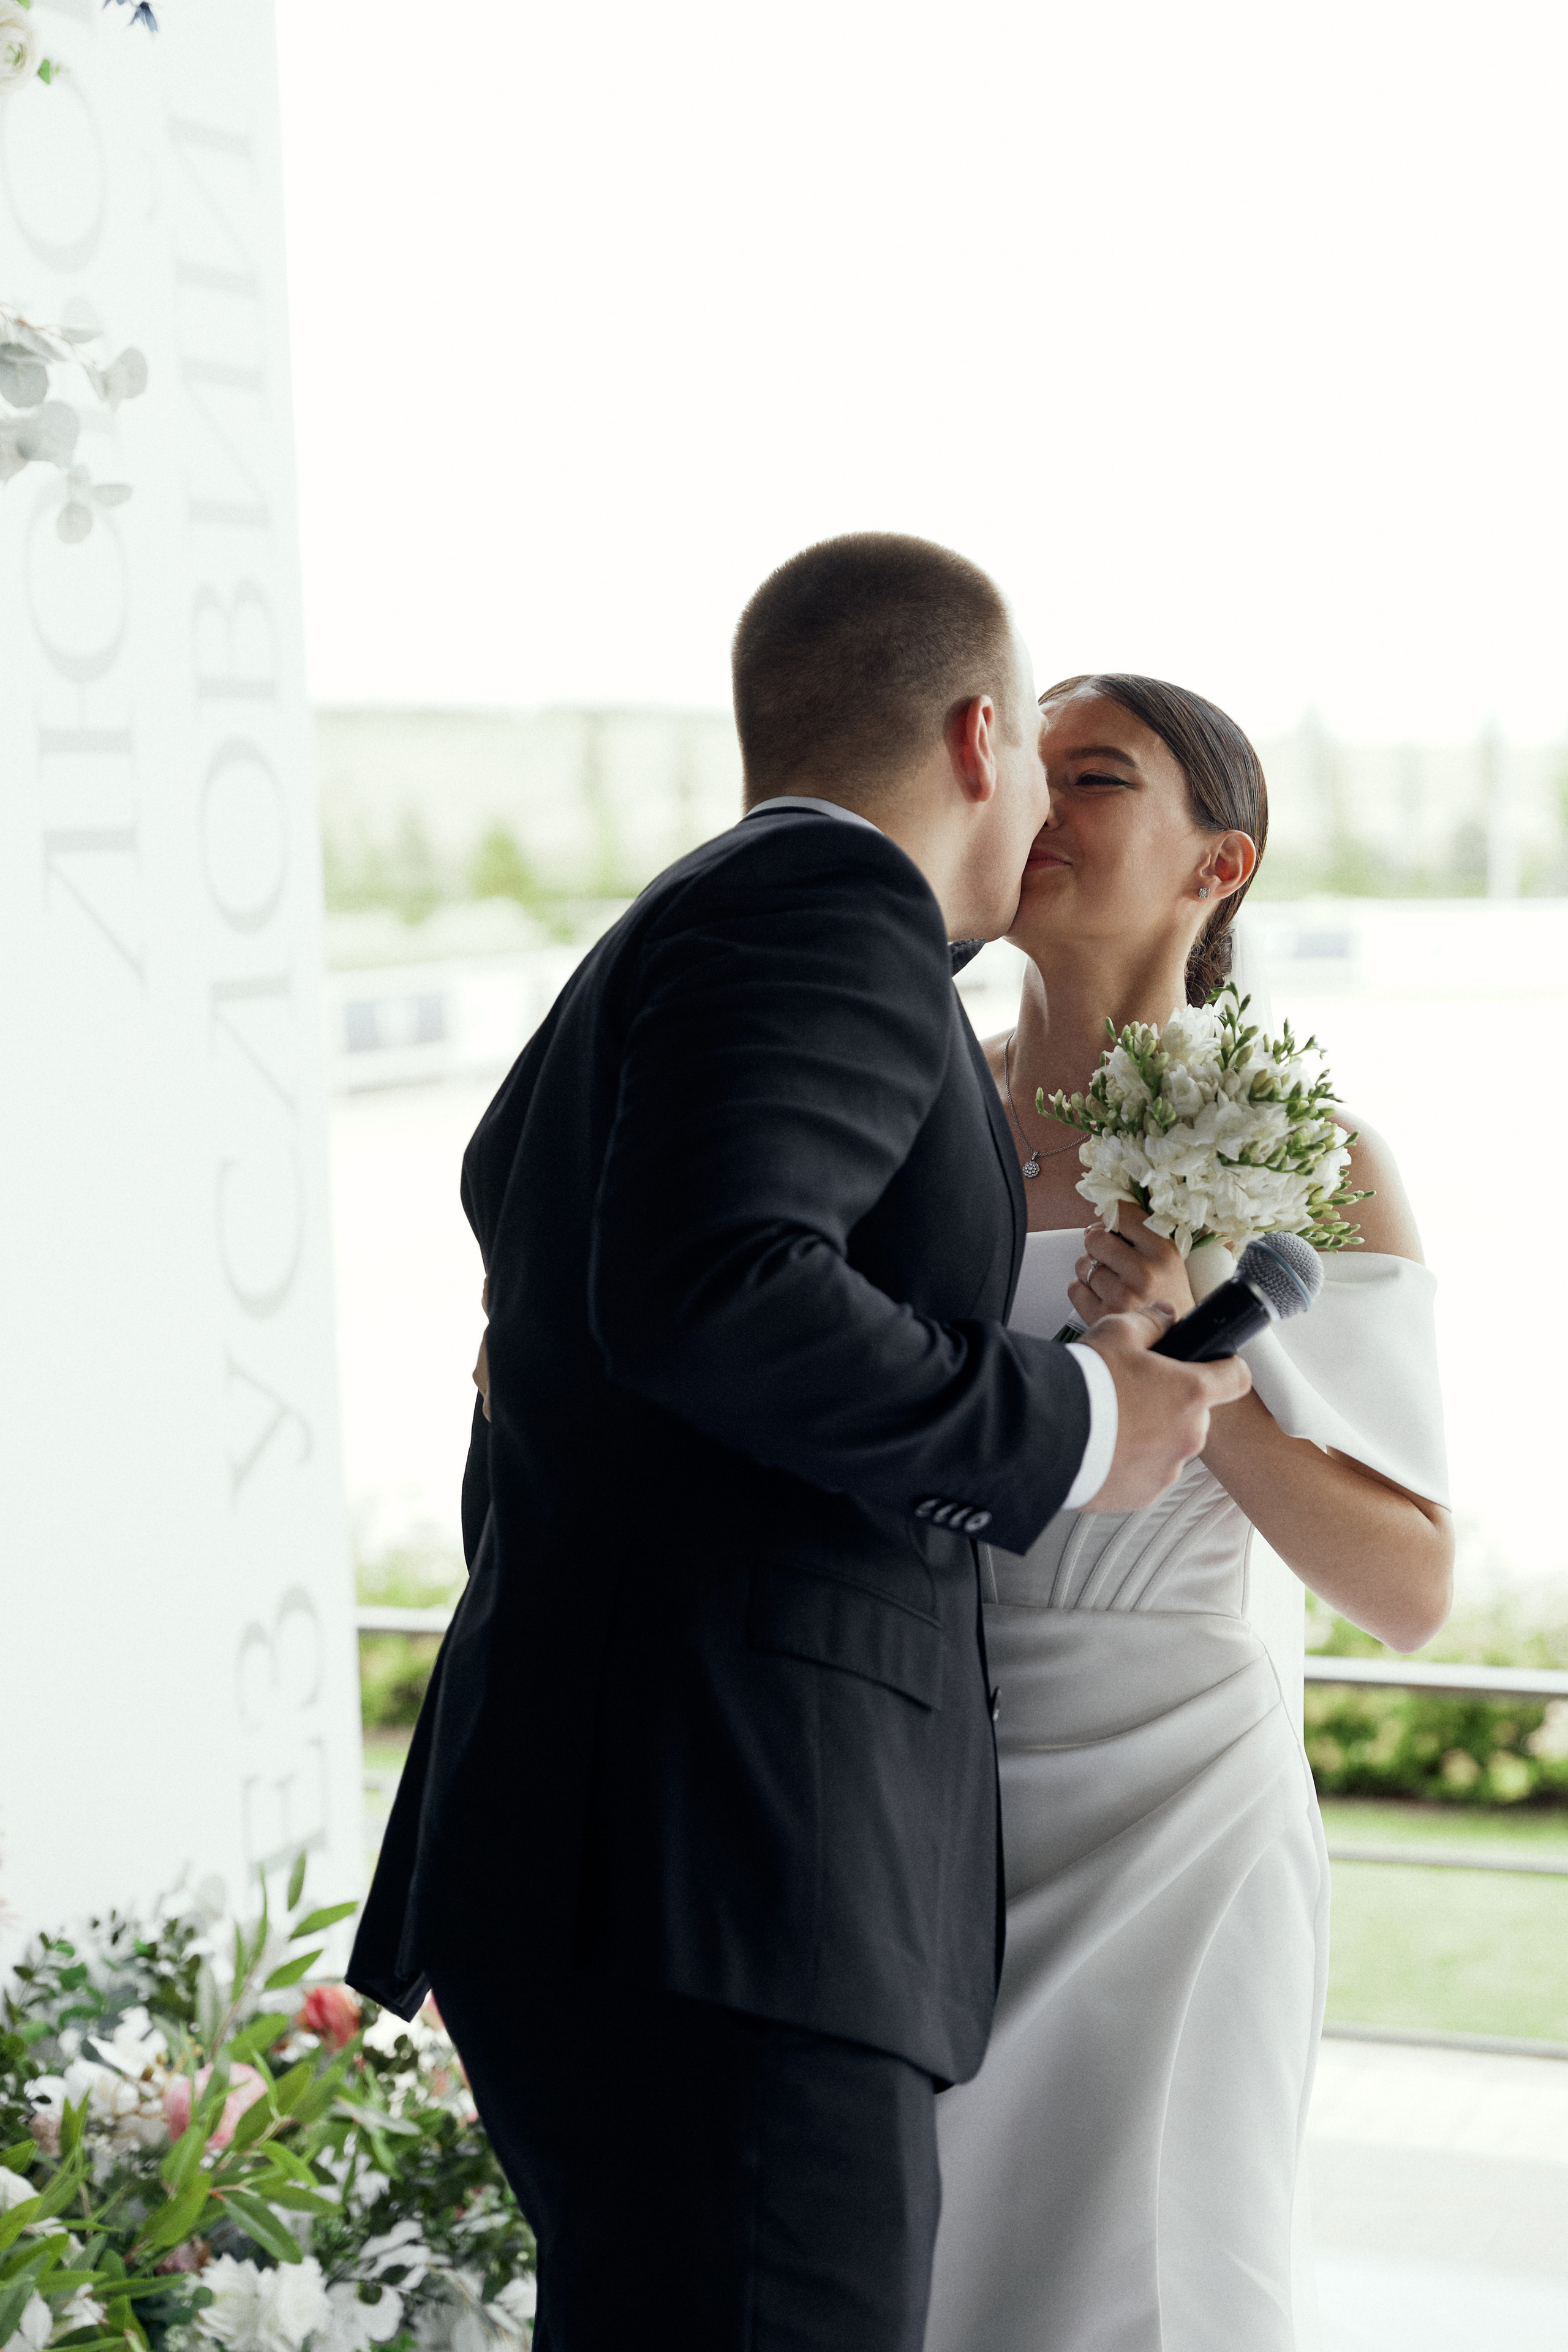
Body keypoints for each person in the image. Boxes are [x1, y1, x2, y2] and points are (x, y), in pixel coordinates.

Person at [347, 541, 1250, 2352]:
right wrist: (1080, 1421)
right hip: (736, 1864)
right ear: (980, 735)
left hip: (622, 1846)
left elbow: (613, 1327)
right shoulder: (833, 910)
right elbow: (717, 1293)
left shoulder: (672, 926)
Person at [922, 674, 1454, 2352]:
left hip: (1184, 1819)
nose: (1046, 810)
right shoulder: (904, 1122)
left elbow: (1412, 1589)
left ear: (1219, 868)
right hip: (911, 1777)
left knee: (1157, 2279)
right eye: (1033, 772)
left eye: (1099, 779)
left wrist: (1194, 1391)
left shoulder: (1315, 1161)